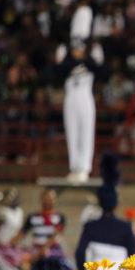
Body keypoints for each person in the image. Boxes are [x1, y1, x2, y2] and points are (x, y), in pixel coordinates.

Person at [57, 39, 104, 183]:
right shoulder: (67, 62)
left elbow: (99, 66)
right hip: (71, 98)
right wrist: (71, 56)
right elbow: (59, 68)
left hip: (86, 98)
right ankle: (74, 167)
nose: (77, 52)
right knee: (72, 132)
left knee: (86, 132)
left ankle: (84, 167)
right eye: (75, 49)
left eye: (80, 49)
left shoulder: (90, 62)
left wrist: (85, 57)